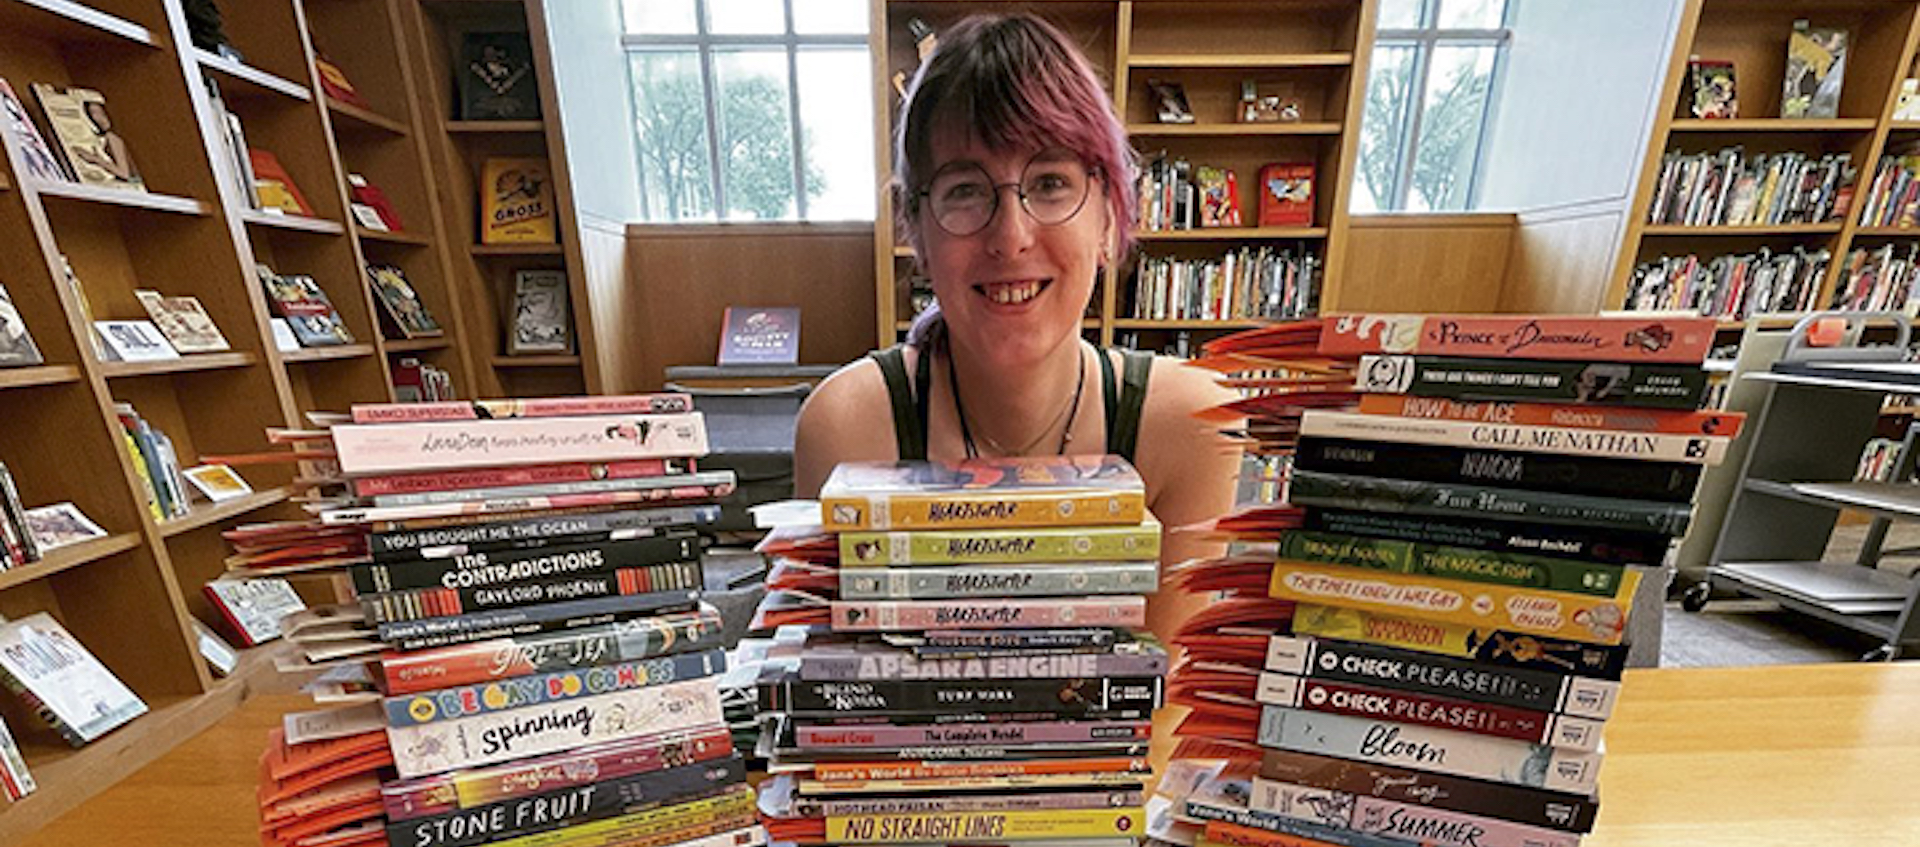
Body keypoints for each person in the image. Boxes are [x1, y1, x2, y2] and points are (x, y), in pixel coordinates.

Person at [794, 12, 1240, 638]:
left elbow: (1163, 706)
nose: (1011, 237)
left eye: (1051, 182)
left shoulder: (1192, 426)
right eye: (965, 190)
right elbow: (842, 700)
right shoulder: (847, 427)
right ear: (914, 230)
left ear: (1110, 215)